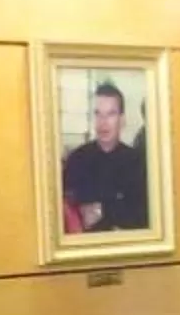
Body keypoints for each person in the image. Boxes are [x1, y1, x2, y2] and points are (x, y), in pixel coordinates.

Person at [62, 79, 149, 233]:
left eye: (111, 114)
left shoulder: (138, 162)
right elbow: (61, 206)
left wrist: (102, 210)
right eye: (98, 114)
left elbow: (144, 215)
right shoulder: (76, 159)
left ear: (122, 120)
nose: (103, 123)